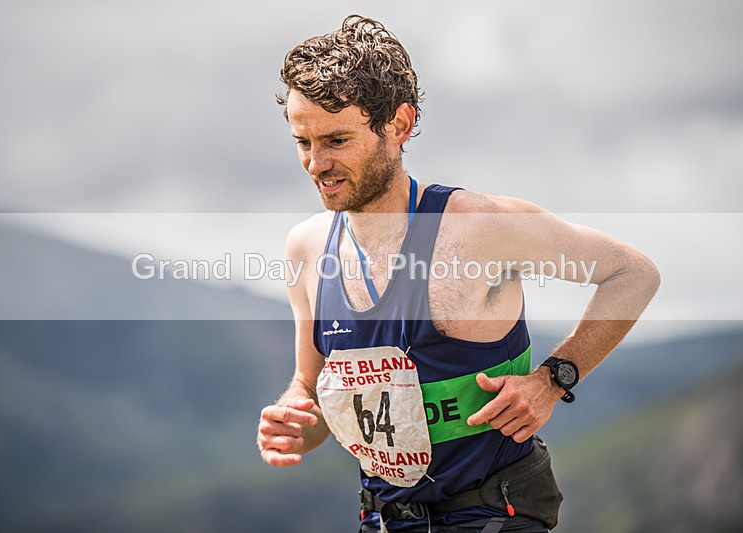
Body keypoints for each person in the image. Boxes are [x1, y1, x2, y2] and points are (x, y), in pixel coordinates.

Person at [257, 15, 660, 533]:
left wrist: (553, 379)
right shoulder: (307, 247)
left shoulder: (478, 228)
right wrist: (295, 421)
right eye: (302, 142)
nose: (316, 163)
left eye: (336, 140)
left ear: (398, 125)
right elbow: (310, 388)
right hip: (383, 519)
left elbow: (633, 273)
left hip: (497, 510)